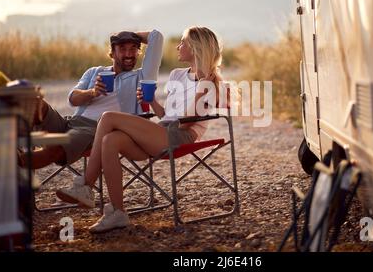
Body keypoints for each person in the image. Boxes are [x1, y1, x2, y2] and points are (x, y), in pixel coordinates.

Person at [56, 26, 226, 233]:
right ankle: (118, 212)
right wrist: (151, 101)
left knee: (108, 117)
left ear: (196, 48)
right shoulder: (177, 75)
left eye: (183, 42)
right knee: (111, 140)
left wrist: (202, 87)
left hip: (180, 137)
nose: (178, 46)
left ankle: (86, 185)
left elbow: (186, 122)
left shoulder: (210, 83)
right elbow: (166, 116)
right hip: (162, 132)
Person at [20, 30, 164, 169]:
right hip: (70, 122)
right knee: (33, 102)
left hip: (94, 130)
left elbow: (156, 37)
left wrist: (129, 35)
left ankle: (14, 161)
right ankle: (10, 142)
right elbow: (72, 99)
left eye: (133, 49)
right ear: (112, 53)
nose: (129, 54)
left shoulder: (141, 77)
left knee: (56, 149)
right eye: (122, 48)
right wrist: (93, 92)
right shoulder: (94, 71)